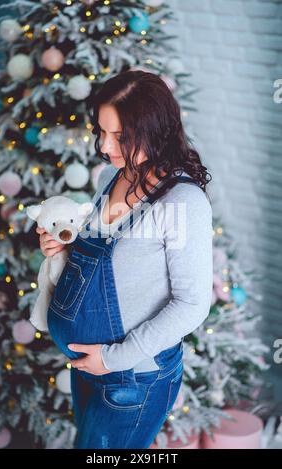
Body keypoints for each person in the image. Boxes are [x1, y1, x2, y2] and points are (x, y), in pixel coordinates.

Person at [36, 70, 213, 449]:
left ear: (156, 131)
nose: (105, 146)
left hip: (131, 377)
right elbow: (107, 268)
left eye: (120, 136)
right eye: (101, 131)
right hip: (91, 368)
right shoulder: (110, 177)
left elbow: (192, 304)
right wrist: (62, 250)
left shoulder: (181, 203)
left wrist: (114, 358)